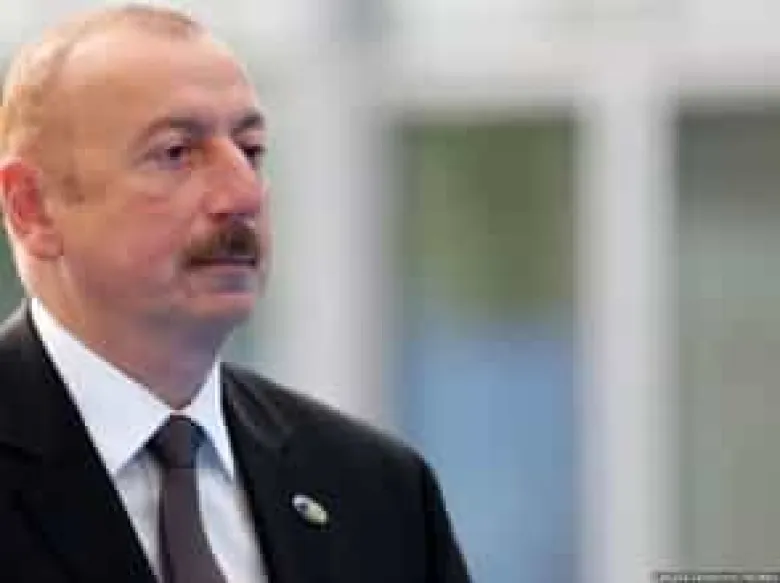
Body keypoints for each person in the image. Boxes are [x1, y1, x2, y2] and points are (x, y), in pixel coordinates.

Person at [0, 4, 471, 583]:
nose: (243, 194)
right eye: (176, 153)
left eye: (250, 150)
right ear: (32, 208)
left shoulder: (378, 492)